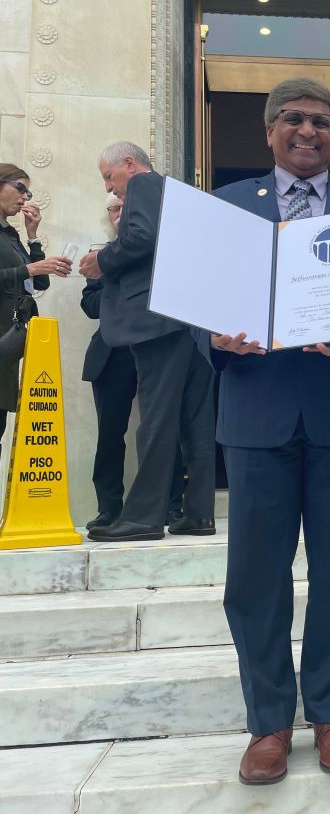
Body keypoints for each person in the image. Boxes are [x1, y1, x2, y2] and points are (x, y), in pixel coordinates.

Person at [204, 77, 330, 785]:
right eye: (293, 118)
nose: (307, 130)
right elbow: (196, 304)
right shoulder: (226, 208)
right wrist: (219, 339)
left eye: (321, 121)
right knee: (256, 575)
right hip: (256, 412)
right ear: (269, 129)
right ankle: (269, 722)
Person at [78, 142, 215, 542]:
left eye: (109, 176)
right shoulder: (179, 193)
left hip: (155, 320)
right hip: (188, 320)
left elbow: (140, 237)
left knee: (156, 419)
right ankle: (198, 514)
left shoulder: (145, 185)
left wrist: (100, 261)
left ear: (130, 164)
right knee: (195, 420)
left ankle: (142, 518)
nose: (109, 189)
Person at [80, 194, 186, 530]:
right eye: (112, 208)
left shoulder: (160, 254)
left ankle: (170, 505)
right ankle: (109, 508)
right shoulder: (100, 256)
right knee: (110, 434)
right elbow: (91, 304)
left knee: (161, 430)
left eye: (125, 207)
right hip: (112, 354)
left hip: (157, 348)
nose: (118, 213)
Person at [0, 164, 70, 453]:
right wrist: (28, 268)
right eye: (20, 187)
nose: (25, 198)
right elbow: (28, 273)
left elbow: (39, 282)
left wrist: (33, 236)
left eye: (27, 191)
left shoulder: (9, 234)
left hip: (6, 344)